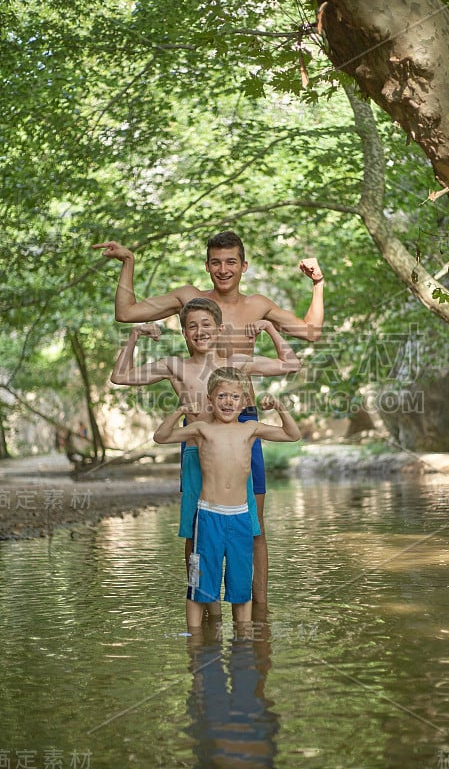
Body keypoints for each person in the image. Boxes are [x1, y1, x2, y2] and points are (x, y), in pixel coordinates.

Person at [94, 231, 324, 605]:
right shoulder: (190, 299)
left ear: (243, 266)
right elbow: (127, 314)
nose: (223, 269)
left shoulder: (258, 305)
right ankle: (204, 610)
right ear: (207, 265)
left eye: (231, 261)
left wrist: (318, 284)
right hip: (199, 428)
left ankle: (257, 612)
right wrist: (128, 262)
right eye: (216, 262)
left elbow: (311, 333)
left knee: (253, 527)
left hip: (243, 422)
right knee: (197, 528)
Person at [110, 297, 301, 608]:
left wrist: (269, 328)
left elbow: (290, 365)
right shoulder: (176, 366)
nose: (200, 331)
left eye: (206, 325)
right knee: (195, 534)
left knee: (247, 527)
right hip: (196, 457)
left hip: (234, 458)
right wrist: (134, 337)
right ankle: (203, 602)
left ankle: (251, 606)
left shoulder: (235, 363)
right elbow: (121, 376)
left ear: (220, 329)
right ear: (185, 333)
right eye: (192, 327)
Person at [153, 367, 301, 628]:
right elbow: (161, 436)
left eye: (234, 397)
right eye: (222, 396)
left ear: (244, 402)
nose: (228, 402)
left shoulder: (250, 429)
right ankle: (196, 642)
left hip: (240, 517)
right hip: (209, 516)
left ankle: (243, 642)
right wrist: (180, 410)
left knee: (241, 587)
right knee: (199, 584)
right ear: (210, 399)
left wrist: (279, 406)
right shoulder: (201, 430)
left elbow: (292, 434)